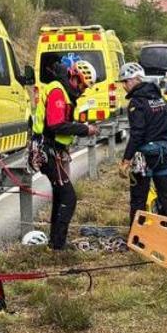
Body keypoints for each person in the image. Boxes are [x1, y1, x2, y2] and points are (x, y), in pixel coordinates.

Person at [33, 60, 100, 250]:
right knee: (69, 197)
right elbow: (56, 124)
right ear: (74, 78)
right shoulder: (57, 91)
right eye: (82, 85)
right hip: (47, 149)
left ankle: (55, 242)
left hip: (55, 149)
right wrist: (84, 129)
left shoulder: (65, 93)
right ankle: (58, 245)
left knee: (60, 195)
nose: (83, 90)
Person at [118, 62, 167, 224]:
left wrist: (126, 160)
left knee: (138, 199)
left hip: (145, 157)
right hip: (164, 153)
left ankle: (136, 238)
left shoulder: (136, 103)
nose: (124, 86)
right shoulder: (161, 99)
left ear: (136, 79)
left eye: (125, 81)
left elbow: (137, 134)